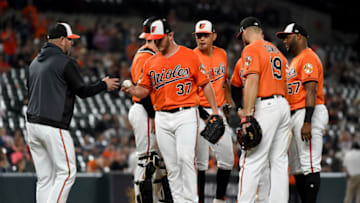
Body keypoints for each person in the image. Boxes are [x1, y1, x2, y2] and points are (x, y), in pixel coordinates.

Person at [122, 18, 219, 203]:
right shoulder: (150, 62)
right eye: (154, 39)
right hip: (162, 117)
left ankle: (190, 200)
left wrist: (214, 111)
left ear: (170, 35)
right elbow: (144, 90)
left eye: (160, 38)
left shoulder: (189, 55)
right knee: (172, 166)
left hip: (186, 114)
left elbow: (206, 84)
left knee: (185, 158)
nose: (156, 42)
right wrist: (133, 90)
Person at [26, 22, 120, 203]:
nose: (72, 44)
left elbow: (29, 92)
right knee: (67, 172)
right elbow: (82, 91)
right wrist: (103, 84)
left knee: (45, 178)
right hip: (52, 125)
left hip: (32, 125)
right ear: (62, 40)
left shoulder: (34, 63)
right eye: (70, 40)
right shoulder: (65, 62)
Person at [235, 16, 290, 203]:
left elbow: (252, 80)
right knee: (279, 161)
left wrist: (247, 114)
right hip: (283, 105)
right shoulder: (277, 52)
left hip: (265, 105)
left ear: (244, 32)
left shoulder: (251, 48)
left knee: (250, 160)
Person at [276, 22, 329, 203]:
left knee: (310, 165)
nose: (284, 41)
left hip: (308, 113)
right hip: (295, 114)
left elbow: (311, 90)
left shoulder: (308, 57)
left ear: (299, 36)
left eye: (287, 37)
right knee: (297, 168)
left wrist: (307, 120)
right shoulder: (295, 60)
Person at [128, 17, 172, 203]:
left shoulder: (154, 56)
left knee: (160, 163)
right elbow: (143, 92)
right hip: (144, 110)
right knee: (146, 160)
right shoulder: (144, 56)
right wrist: (153, 116)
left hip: (153, 111)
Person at [192, 20, 234, 203]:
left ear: (214, 36)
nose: (202, 39)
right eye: (198, 35)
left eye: (205, 35)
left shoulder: (222, 54)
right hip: (198, 111)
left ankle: (219, 199)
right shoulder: (191, 57)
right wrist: (205, 116)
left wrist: (229, 101)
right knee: (200, 163)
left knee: (227, 160)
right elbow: (190, 93)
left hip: (217, 112)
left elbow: (224, 81)